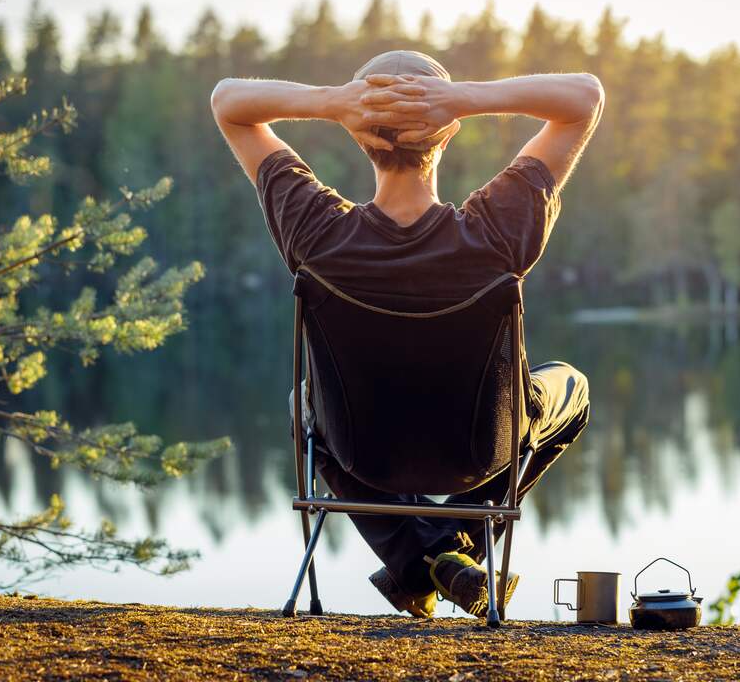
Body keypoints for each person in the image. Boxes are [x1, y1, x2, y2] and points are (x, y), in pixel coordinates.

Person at [211, 51, 604, 619]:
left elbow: (227, 102)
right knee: (572, 385)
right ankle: (448, 547)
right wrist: (463, 99)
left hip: (364, 456)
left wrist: (333, 102)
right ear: (448, 134)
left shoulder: (315, 232)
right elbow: (585, 97)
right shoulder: (496, 231)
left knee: (303, 403)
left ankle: (418, 557)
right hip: (481, 453)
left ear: (358, 137)